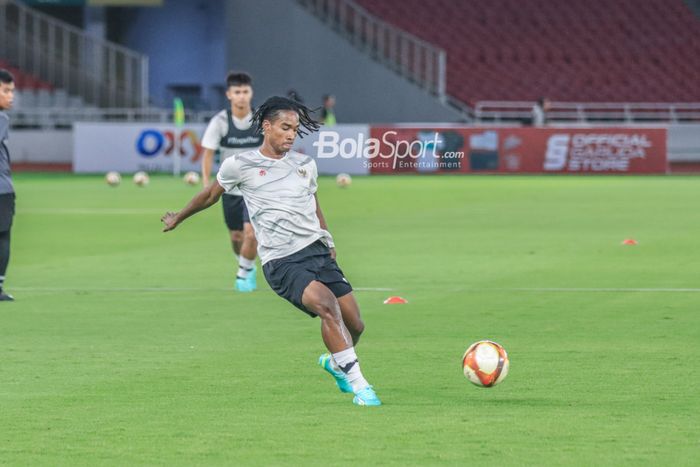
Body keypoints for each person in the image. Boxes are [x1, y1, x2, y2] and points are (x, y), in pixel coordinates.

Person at [161, 96, 381, 406]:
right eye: (285, 128)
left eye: (295, 129)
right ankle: (361, 387)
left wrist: (328, 241)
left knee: (355, 324)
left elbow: (313, 204)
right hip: (282, 260)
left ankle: (335, 363)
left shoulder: (305, 164)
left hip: (316, 251)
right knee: (327, 306)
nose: (291, 134)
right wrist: (178, 218)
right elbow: (211, 194)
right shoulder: (241, 164)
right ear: (267, 127)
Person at [200, 72, 262, 292]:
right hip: (229, 189)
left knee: (250, 233)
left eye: (245, 92)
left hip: (256, 189)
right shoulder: (220, 121)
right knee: (236, 236)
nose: (242, 97)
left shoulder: (261, 119)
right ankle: (246, 264)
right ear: (229, 95)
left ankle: (243, 275)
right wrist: (207, 182)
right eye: (237, 92)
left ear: (251, 93)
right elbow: (208, 153)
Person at [0, 69, 16, 301]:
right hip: (1, 190)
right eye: (5, 91)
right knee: (2, 236)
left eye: (12, 91)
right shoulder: (1, 118)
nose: (11, 96)